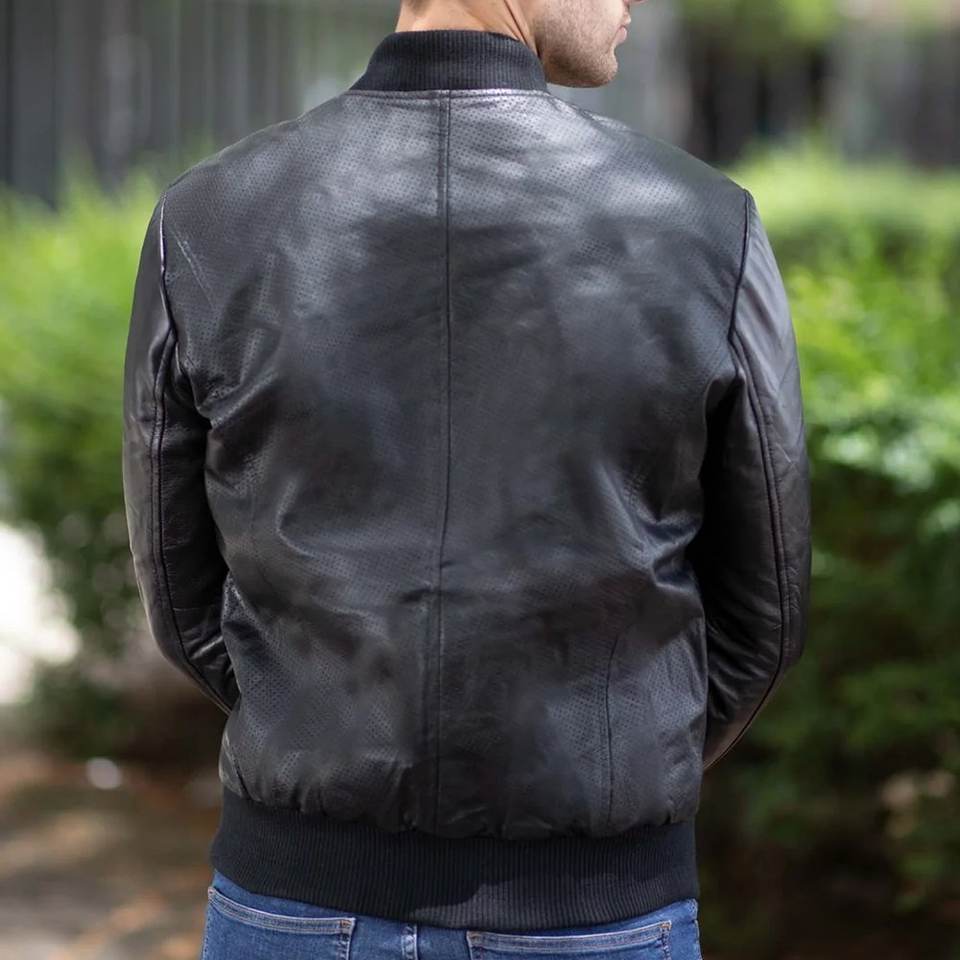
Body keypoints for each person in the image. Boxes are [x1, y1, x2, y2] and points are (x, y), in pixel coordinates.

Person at [120, 0, 812, 956]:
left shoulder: (209, 215)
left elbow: (176, 584)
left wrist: (309, 719)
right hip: (595, 909)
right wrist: (620, 758)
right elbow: (765, 605)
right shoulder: (704, 220)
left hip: (296, 898)